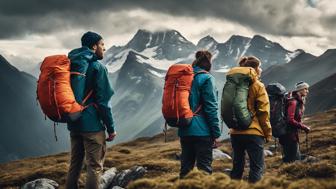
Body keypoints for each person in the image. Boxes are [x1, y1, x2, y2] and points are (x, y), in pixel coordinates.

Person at [65, 31, 117, 189]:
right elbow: (103, 102)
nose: (104, 48)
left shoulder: (72, 63)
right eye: (102, 44)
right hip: (92, 126)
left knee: (75, 164)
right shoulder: (97, 67)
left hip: (74, 123)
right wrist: (111, 129)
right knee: (94, 166)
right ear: (94, 46)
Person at [178, 50, 221, 178]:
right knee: (204, 170)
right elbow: (211, 107)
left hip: (185, 128)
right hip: (202, 132)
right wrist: (216, 133)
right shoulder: (207, 78)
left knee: (185, 169)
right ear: (208, 62)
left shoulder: (185, 77)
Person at [229, 56, 272, 183]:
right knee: (256, 167)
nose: (261, 69)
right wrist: (267, 133)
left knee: (237, 167)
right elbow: (263, 111)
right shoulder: (258, 85)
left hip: (236, 132)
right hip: (254, 132)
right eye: (259, 66)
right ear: (255, 69)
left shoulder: (233, 85)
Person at [279, 81, 311, 163]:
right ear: (300, 90)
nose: (307, 91)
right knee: (294, 158)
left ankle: (284, 173)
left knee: (289, 157)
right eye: (305, 89)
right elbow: (290, 120)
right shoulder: (293, 102)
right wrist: (304, 127)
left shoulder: (295, 100)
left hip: (287, 133)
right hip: (289, 134)